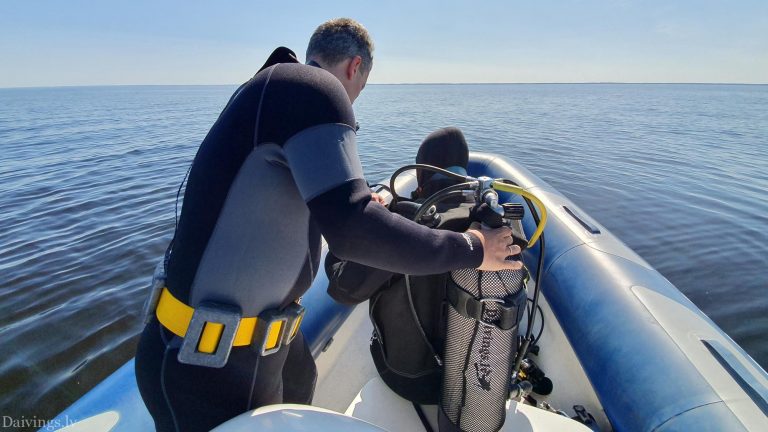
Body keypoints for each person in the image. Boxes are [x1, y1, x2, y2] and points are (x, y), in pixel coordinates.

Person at [135, 18, 522, 432]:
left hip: (252, 350)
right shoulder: (315, 90)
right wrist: (476, 248)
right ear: (355, 67)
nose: (352, 102)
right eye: (360, 89)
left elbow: (287, 205)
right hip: (203, 368)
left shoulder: (280, 92)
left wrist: (355, 206)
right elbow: (352, 231)